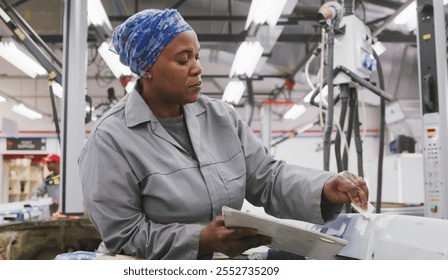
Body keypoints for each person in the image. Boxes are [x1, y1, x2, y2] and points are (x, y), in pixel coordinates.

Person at [78, 9, 369, 260]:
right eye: (183, 61)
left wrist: (324, 187)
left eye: (197, 57)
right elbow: (124, 234)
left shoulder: (220, 118)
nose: (198, 69)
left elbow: (267, 178)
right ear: (147, 69)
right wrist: (201, 239)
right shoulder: (111, 140)